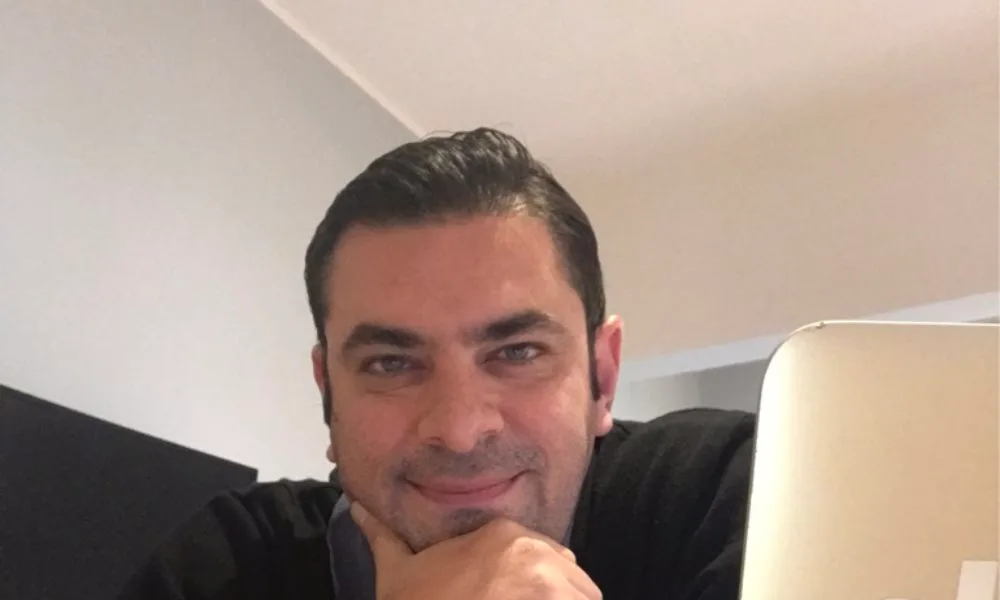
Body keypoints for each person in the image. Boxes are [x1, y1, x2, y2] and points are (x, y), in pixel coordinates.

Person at [117, 128, 756, 600]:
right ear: (328, 394)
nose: (459, 430)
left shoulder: (723, 492)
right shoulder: (229, 564)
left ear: (603, 379)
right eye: (391, 364)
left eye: (517, 353)